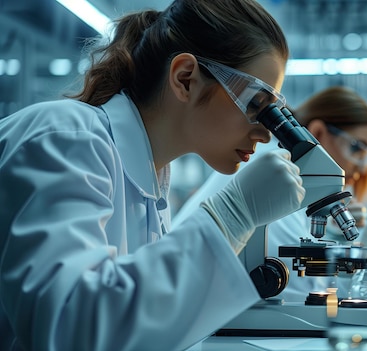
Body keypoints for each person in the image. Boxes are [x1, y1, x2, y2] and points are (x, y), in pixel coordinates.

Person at [0, 1, 306, 350]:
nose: (265, 133)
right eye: (256, 105)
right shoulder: (65, 137)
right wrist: (233, 216)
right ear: (185, 79)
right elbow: (72, 329)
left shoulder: (151, 181)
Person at [173, 86, 367, 302]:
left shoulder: (286, 168)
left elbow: (313, 286)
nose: (362, 167)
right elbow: (302, 293)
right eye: (357, 148)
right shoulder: (273, 169)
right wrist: (356, 258)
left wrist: (345, 246)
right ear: (318, 132)